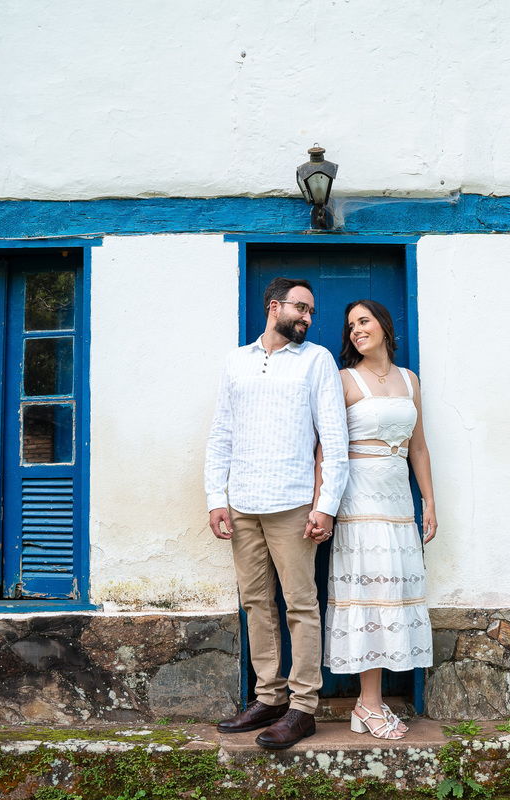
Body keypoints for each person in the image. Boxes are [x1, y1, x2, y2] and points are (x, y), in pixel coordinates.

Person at [204, 277, 349, 749]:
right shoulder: (236, 361)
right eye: (301, 308)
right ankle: (269, 698)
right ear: (274, 307)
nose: (308, 318)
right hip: (243, 502)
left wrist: (326, 506)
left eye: (311, 312)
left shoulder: (317, 360)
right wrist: (216, 497)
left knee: (301, 606)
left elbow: (334, 439)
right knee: (256, 603)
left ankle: (303, 708)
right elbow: (222, 433)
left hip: (294, 504)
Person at [321, 299, 436, 740]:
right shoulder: (344, 379)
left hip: (398, 504)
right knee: (369, 597)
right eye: (350, 325)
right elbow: (326, 447)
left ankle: (369, 705)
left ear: (384, 326)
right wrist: (323, 505)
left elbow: (418, 447)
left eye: (363, 321)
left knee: (393, 595)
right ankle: (368, 703)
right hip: (359, 502)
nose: (356, 330)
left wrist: (428, 502)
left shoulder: (410, 380)